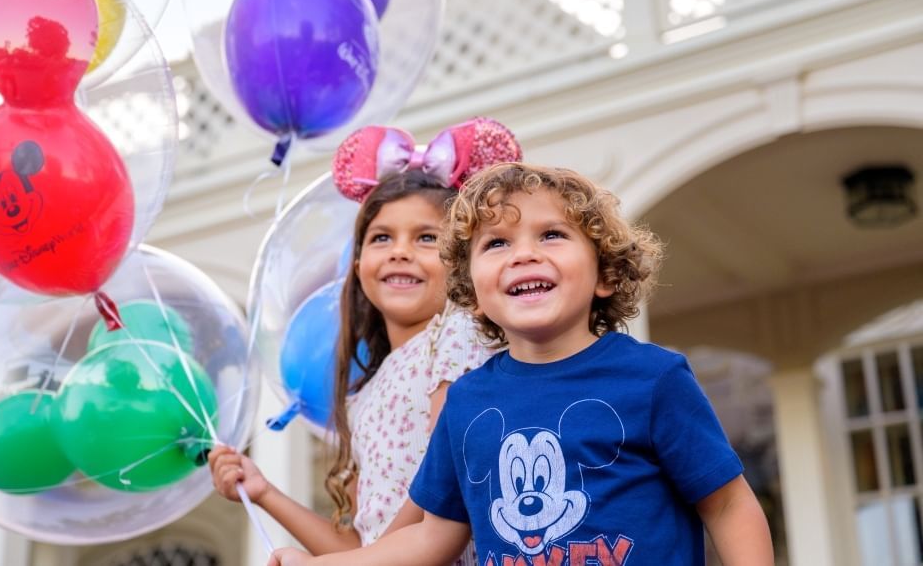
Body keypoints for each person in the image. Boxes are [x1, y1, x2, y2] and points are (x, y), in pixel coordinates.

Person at [268, 162, 775, 566]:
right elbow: (432, 538)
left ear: (605, 274)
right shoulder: (466, 402)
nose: (523, 255)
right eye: (496, 244)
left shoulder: (654, 378)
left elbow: (728, 505)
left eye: (551, 235)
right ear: (471, 291)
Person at [210, 119, 523, 565]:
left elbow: (442, 495)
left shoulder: (457, 337)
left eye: (427, 238)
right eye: (382, 238)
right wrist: (263, 492)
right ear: (357, 265)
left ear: (461, 259)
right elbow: (364, 547)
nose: (400, 251)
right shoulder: (364, 396)